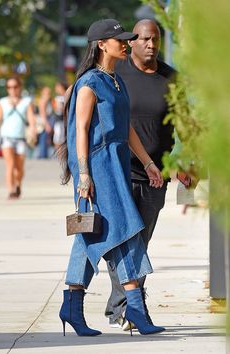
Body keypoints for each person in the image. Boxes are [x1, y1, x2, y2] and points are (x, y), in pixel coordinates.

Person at [58, 18, 165, 337]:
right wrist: (84, 174)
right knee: (124, 229)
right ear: (102, 45)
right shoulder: (90, 83)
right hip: (97, 165)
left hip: (116, 162)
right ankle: (134, 304)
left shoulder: (116, 81)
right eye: (120, 39)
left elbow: (126, 127)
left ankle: (72, 305)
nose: (125, 43)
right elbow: (80, 130)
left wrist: (147, 162)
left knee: (90, 234)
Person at [104, 19, 182, 329]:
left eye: (156, 40)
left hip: (155, 175)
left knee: (141, 243)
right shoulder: (116, 74)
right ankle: (129, 306)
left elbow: (183, 123)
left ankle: (119, 306)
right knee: (123, 240)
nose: (152, 45)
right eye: (146, 39)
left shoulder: (172, 78)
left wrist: (187, 163)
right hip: (119, 170)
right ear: (133, 42)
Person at [0, 77, 36, 199]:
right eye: (9, 87)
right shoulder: (2, 102)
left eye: (15, 87)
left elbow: (31, 118)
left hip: (21, 138)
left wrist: (33, 130)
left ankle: (18, 183)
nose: (12, 89)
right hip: (6, 137)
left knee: (20, 168)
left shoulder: (26, 101)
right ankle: (11, 190)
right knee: (10, 165)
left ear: (19, 87)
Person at [36, 86, 54, 159]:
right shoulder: (43, 101)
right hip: (44, 123)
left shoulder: (48, 101)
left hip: (48, 121)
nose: (49, 94)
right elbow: (43, 114)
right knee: (43, 140)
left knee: (46, 140)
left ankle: (44, 155)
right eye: (47, 93)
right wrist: (47, 125)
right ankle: (43, 156)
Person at [52, 82, 67, 151]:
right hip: (58, 119)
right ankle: (58, 151)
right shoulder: (57, 98)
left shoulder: (66, 96)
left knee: (63, 136)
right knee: (58, 136)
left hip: (65, 119)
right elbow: (55, 108)